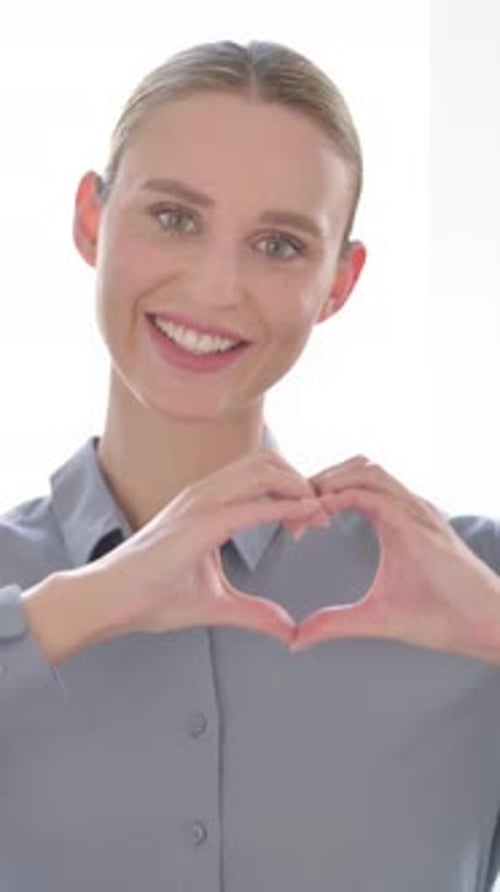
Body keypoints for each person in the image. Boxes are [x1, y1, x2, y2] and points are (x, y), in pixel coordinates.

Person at [1, 39, 499, 892]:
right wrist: (75, 609)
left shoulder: (465, 584)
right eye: (174, 218)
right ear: (91, 219)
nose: (215, 287)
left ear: (339, 283)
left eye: (278, 244)